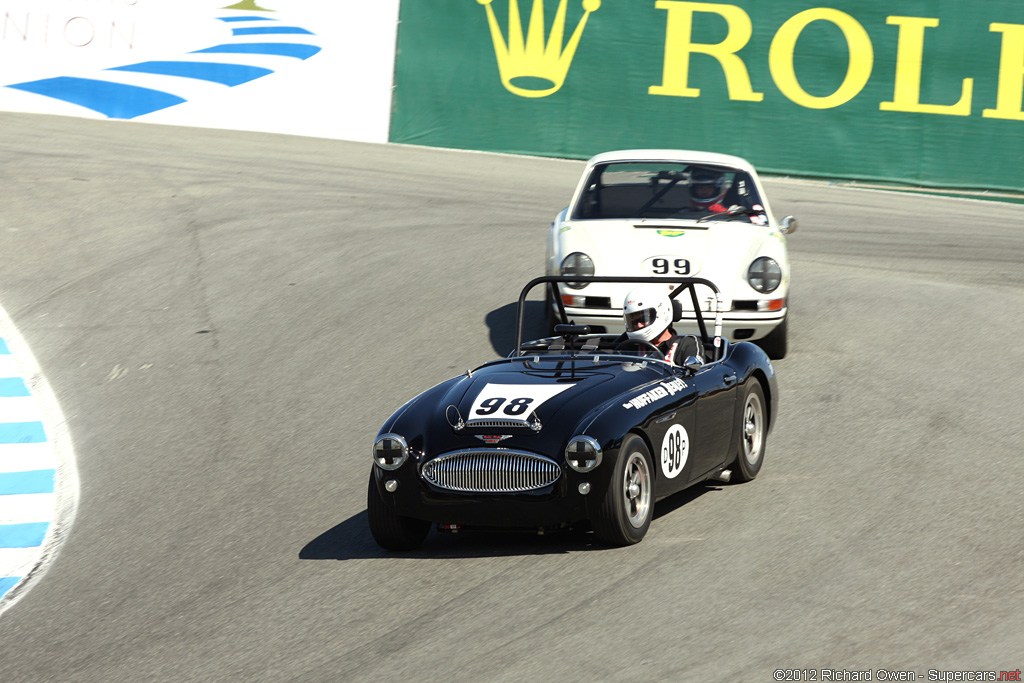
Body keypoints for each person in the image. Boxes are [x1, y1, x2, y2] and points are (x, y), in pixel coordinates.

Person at [622, 285, 704, 365]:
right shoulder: (630, 347)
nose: (639, 325)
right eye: (634, 321)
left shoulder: (686, 344)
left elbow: (696, 374)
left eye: (643, 319)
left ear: (662, 313)